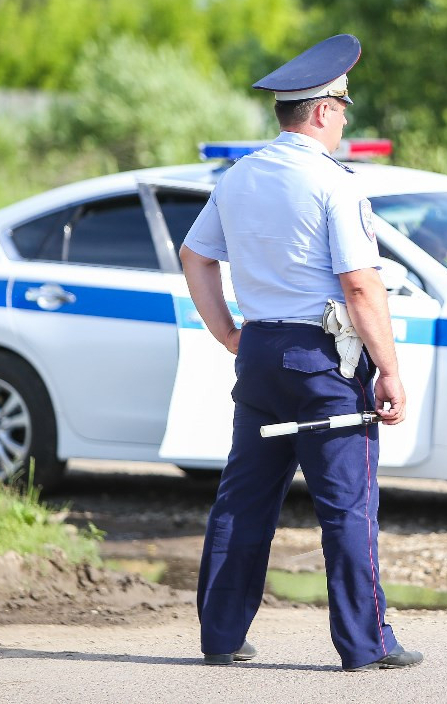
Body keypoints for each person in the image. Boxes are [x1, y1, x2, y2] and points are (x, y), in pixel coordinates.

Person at [178, 34, 422, 672]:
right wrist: (390, 370)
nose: (345, 115)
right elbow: (361, 284)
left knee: (245, 496)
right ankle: (366, 646)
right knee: (347, 505)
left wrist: (229, 333)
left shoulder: (239, 176)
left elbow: (195, 255)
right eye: (342, 104)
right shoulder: (332, 184)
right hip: (325, 360)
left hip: (259, 352)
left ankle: (222, 635)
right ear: (319, 111)